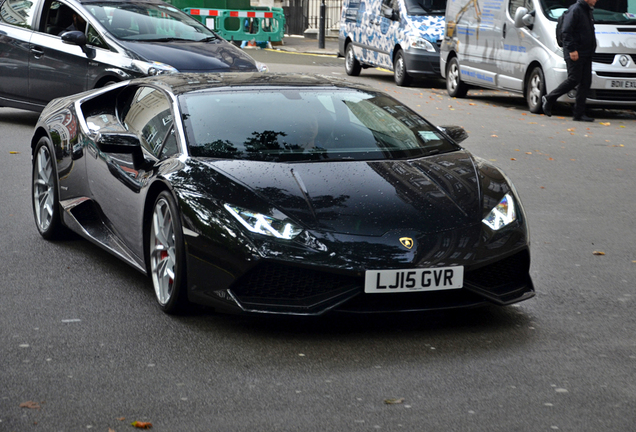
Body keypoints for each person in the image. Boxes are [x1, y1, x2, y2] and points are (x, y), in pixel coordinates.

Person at [542, 0, 597, 122]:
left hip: (586, 53)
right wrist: (572, 49)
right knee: (574, 79)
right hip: (576, 52)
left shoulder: (587, 10)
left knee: (586, 82)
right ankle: (549, 98)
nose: (596, 0)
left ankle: (579, 113)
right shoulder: (576, 9)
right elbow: (566, 31)